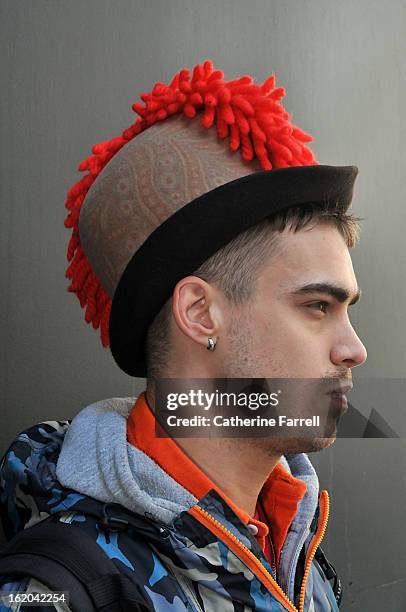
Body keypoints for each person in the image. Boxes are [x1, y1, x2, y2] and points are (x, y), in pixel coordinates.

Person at [0, 60, 367, 611]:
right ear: (199, 313)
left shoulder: (291, 539)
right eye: (317, 306)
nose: (354, 349)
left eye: (347, 309)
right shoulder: (64, 591)